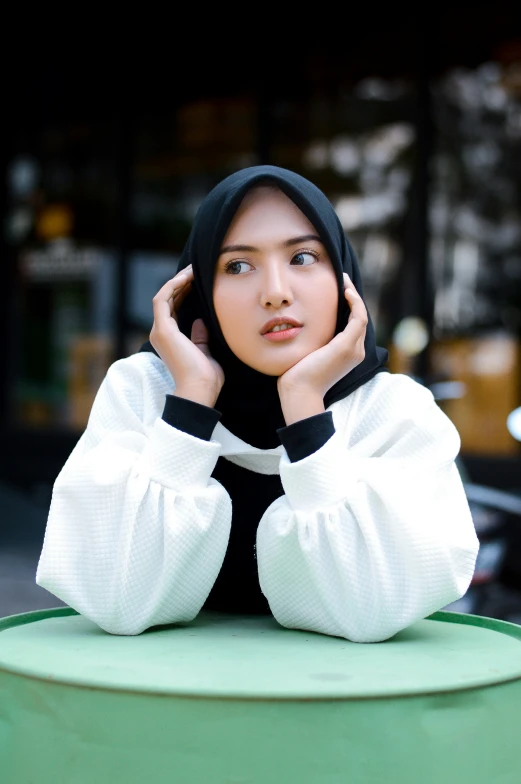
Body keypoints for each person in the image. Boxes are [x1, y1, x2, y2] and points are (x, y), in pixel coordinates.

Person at [36, 165, 479, 641]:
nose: (275, 293)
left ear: (344, 279)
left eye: (304, 257)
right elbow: (114, 602)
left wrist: (306, 407)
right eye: (238, 266)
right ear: (199, 292)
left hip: (341, 703)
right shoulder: (141, 392)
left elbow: (371, 612)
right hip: (165, 699)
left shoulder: (393, 413)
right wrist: (190, 407)